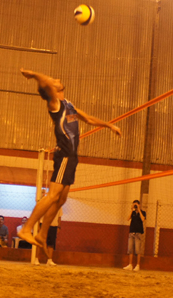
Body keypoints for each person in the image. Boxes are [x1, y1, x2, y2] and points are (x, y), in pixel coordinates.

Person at [16, 68, 121, 265]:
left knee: (61, 199)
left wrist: (109, 126)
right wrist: (34, 74)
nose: (56, 79)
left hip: (72, 157)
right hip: (64, 154)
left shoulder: (69, 105)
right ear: (52, 90)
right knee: (53, 195)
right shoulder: (54, 103)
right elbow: (45, 83)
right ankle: (27, 228)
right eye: (53, 81)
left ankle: (43, 233)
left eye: (57, 80)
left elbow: (89, 119)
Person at [124, 200, 146, 271]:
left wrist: (139, 210)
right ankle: (130, 265)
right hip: (131, 232)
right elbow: (128, 219)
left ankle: (137, 265)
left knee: (137, 250)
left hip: (138, 233)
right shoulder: (133, 213)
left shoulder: (143, 212)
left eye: (136, 205)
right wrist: (131, 209)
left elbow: (143, 219)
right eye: (134, 205)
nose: (135, 206)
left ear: (139, 205)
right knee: (130, 249)